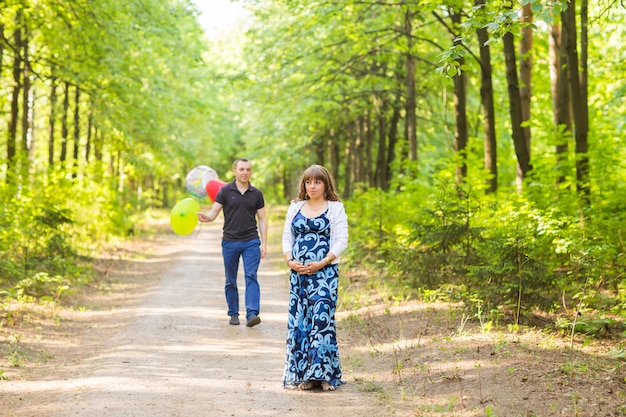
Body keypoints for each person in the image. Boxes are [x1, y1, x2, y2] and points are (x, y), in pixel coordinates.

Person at [281, 164, 349, 391]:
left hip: (325, 274)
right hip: (298, 275)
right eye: (308, 182)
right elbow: (286, 238)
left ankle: (326, 375)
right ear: (304, 184)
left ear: (325, 184)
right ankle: (307, 376)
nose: (312, 186)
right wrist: (290, 260)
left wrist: (322, 262)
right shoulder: (295, 207)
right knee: (302, 321)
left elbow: (342, 240)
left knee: (321, 321)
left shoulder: (335, 208)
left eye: (317, 182)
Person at [197, 158, 267, 327]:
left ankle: (252, 314)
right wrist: (207, 218)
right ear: (235, 171)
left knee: (251, 276)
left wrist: (264, 243)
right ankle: (233, 313)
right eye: (241, 169)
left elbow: (263, 219)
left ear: (251, 171)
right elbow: (214, 212)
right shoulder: (225, 191)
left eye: (248, 169)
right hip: (230, 242)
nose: (245, 172)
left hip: (251, 241)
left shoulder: (256, 194)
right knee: (231, 280)